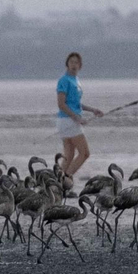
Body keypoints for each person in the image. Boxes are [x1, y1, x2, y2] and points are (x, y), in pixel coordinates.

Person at [56, 52, 103, 183]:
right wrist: (76, 118)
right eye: (71, 62)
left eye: (76, 62)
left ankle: (56, 182)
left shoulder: (75, 80)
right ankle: (66, 179)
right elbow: (61, 104)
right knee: (84, 153)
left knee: (69, 155)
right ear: (67, 64)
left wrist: (93, 110)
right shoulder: (64, 80)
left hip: (69, 121)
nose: (74, 65)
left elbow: (76, 104)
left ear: (80, 65)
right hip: (67, 121)